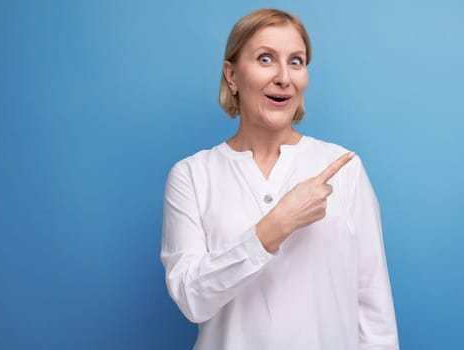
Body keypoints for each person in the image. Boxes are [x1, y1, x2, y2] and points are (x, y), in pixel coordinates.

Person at [161, 8, 399, 350]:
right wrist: (275, 226)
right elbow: (191, 298)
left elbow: (375, 313)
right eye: (265, 59)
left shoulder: (343, 168)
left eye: (296, 61)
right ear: (232, 75)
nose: (284, 77)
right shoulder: (192, 176)